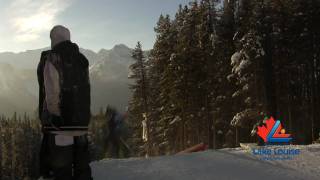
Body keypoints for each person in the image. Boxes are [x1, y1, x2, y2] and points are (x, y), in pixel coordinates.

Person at [37, 25, 92, 180]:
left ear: (54, 39)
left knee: (62, 171)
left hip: (60, 127)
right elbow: (85, 90)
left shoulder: (53, 58)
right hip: (81, 125)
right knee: (83, 171)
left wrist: (54, 117)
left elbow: (51, 93)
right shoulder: (82, 60)